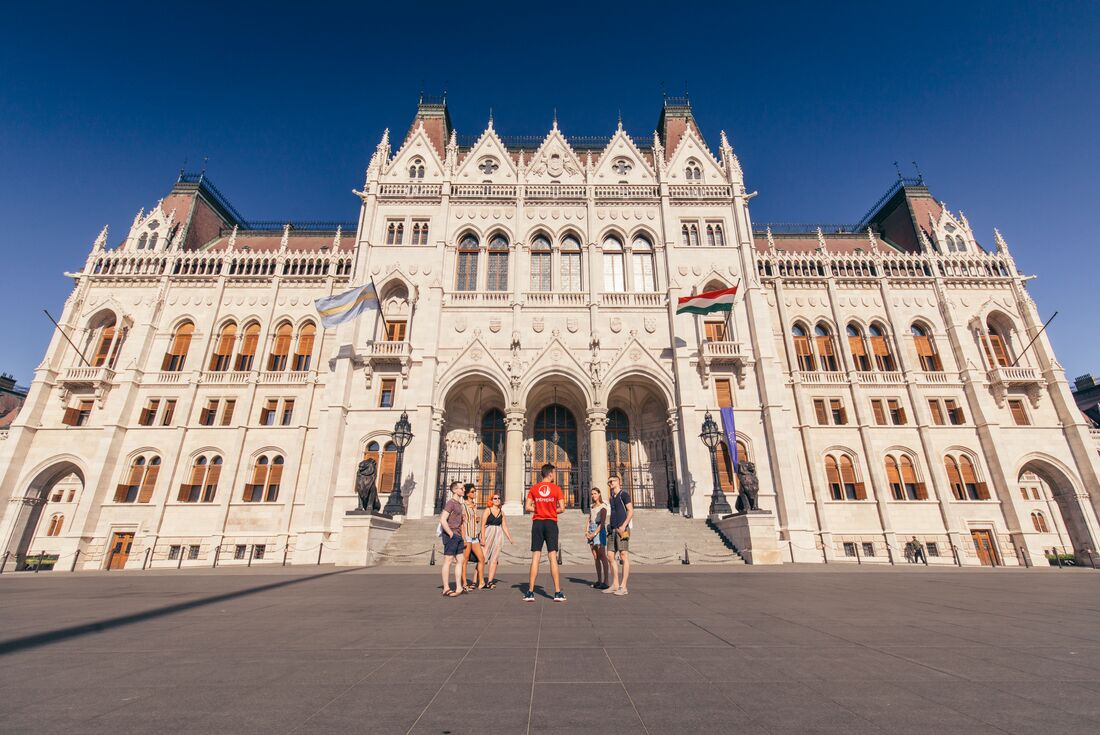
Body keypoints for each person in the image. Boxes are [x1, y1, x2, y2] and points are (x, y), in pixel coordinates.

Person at [524, 463, 566, 602]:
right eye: (553, 473)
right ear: (549, 474)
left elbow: (527, 506)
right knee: (552, 557)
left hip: (537, 523)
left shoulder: (534, 488)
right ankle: (557, 592)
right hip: (551, 523)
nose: (554, 475)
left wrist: (539, 508)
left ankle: (530, 592)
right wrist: (551, 509)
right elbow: (562, 508)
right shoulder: (556, 489)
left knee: (535, 556)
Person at [605, 473, 633, 596]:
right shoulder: (612, 497)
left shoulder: (624, 495)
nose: (610, 484)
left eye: (612, 481)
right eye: (609, 482)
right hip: (612, 529)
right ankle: (615, 584)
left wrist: (624, 526)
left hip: (623, 529)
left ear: (619, 481)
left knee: (623, 555)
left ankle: (623, 586)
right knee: (610, 555)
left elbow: (630, 511)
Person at [480, 492, 513, 589]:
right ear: (491, 500)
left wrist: (510, 538)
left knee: (494, 559)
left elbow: (504, 526)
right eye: (495, 498)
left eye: (498, 498)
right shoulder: (487, 510)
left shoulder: (501, 512)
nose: (497, 500)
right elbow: (482, 525)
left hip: (498, 534)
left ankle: (490, 581)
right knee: (483, 558)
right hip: (488, 533)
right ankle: (479, 580)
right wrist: (482, 538)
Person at [439, 481, 466, 596]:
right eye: (461, 488)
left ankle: (459, 587)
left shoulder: (459, 504)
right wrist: (450, 533)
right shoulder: (450, 503)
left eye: (463, 488)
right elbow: (443, 519)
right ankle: (446, 588)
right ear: (455, 490)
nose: (463, 490)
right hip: (452, 535)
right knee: (448, 561)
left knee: (460, 560)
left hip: (458, 535)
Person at [461, 483, 486, 590]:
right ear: (466, 493)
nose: (474, 493)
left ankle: (481, 582)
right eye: (472, 491)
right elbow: (461, 523)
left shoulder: (474, 505)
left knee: (482, 558)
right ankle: (464, 583)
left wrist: (476, 519)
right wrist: (463, 538)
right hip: (467, 535)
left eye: (474, 491)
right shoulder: (463, 506)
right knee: (465, 560)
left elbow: (474, 519)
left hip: (475, 536)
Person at [586, 487, 610, 590]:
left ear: (599, 494)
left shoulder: (603, 507)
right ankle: (599, 580)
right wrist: (586, 531)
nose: (593, 495)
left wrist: (594, 534)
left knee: (602, 556)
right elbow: (589, 519)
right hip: (591, 529)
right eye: (592, 494)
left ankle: (606, 581)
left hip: (599, 531)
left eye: (595, 493)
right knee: (595, 556)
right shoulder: (592, 506)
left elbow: (602, 523)